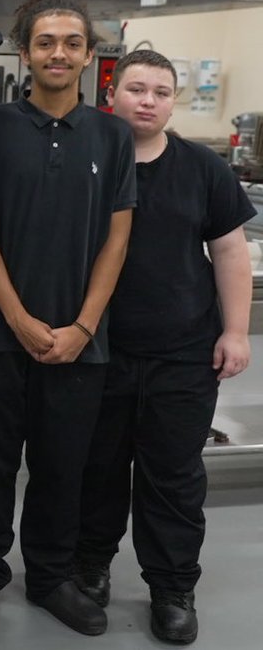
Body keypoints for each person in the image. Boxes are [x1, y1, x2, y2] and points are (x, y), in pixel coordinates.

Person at [0, 0, 136, 637]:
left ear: (89, 54)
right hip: (2, 336)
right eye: (46, 42)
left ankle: (52, 575)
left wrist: (83, 326)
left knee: (63, 464)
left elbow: (116, 240)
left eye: (72, 43)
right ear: (24, 53)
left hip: (81, 342)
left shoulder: (112, 136)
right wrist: (17, 318)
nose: (59, 53)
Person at [72, 50, 254, 645]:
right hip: (98, 351)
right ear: (111, 95)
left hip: (183, 354)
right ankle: (90, 567)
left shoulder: (202, 168)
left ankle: (172, 588)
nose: (148, 101)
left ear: (173, 102)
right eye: (136, 89)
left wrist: (234, 331)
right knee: (97, 469)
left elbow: (229, 251)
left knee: (173, 478)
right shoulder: (86, 161)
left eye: (161, 92)